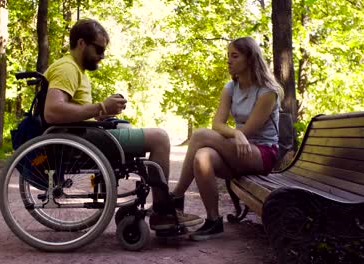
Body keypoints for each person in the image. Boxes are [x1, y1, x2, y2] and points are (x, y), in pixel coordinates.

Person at [43, 18, 202, 231]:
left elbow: (71, 111)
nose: (102, 55)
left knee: (128, 127)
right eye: (98, 49)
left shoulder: (74, 69)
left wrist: (101, 113)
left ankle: (159, 205)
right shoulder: (67, 69)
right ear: (81, 43)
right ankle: (163, 212)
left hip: (81, 133)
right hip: (77, 140)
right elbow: (52, 112)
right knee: (160, 138)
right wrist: (100, 106)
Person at [171, 37, 284, 241]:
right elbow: (218, 124)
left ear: (250, 59)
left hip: (262, 153)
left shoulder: (268, 92)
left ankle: (175, 197)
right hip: (238, 149)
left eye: (234, 56)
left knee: (199, 135)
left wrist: (239, 133)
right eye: (228, 56)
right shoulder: (231, 87)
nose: (228, 61)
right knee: (202, 156)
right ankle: (213, 221)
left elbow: (247, 132)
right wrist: (236, 133)